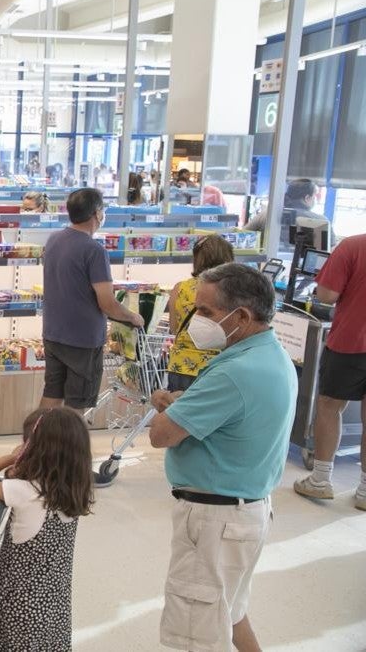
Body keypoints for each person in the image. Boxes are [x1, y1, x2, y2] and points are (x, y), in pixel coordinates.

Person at [147, 263, 297, 652]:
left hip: (215, 521)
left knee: (198, 635)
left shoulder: (234, 372)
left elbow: (161, 436)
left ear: (242, 316)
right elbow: (235, 417)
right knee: (229, 614)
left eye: (206, 312)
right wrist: (186, 405)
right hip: (247, 513)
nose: (195, 319)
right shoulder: (270, 355)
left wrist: (166, 411)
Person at [0, 408, 93, 651]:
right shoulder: (75, 491)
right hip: (53, 606)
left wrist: (9, 459)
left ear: (34, 449)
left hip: (18, 610)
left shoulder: (23, 491)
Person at [40, 188, 144, 411]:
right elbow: (107, 304)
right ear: (97, 213)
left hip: (53, 333)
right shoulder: (94, 250)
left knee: (51, 395)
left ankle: (34, 444)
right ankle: (72, 446)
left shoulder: (54, 240)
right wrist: (132, 317)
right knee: (76, 407)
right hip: (82, 340)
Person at [293, 232, 366, 510]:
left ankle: (321, 480)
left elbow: (326, 294)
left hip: (350, 342)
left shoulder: (352, 246)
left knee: (329, 406)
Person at [166, 235, 235, 391]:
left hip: (180, 366)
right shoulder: (230, 291)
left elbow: (174, 328)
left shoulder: (179, 288)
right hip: (215, 367)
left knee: (177, 413)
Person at [244, 178, 332, 247]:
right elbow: (330, 248)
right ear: (307, 198)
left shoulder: (267, 214)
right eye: (314, 196)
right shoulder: (321, 221)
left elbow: (242, 235)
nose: (315, 200)